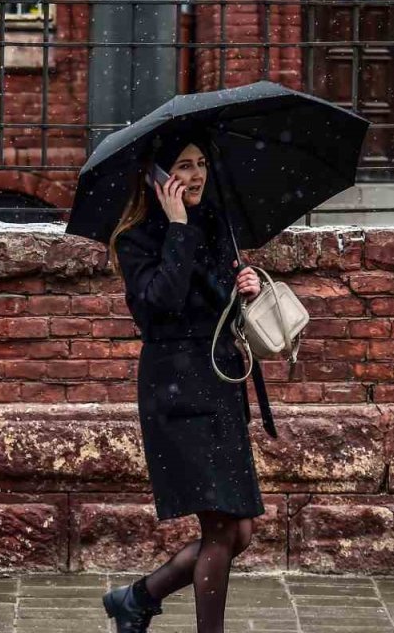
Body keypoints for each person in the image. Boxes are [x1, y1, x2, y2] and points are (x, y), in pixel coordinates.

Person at [103, 136, 264, 633]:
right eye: (182, 166)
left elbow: (218, 309)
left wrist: (245, 287)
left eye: (200, 165)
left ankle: (137, 598)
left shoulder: (217, 224)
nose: (194, 176)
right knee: (219, 527)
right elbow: (163, 303)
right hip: (177, 387)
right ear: (156, 177)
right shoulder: (136, 238)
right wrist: (177, 227)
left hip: (217, 380)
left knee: (240, 531)